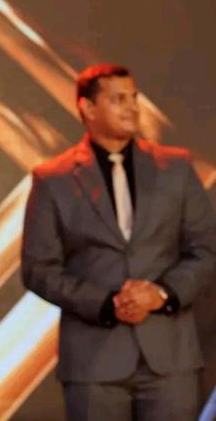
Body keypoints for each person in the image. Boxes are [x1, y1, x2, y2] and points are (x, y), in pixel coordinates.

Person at [21, 64, 216, 421]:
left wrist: (160, 294)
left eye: (134, 98)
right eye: (118, 99)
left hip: (170, 359)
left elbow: (207, 249)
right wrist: (107, 303)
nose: (132, 108)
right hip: (93, 361)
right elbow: (38, 268)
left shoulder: (176, 167)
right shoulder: (52, 179)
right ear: (88, 107)